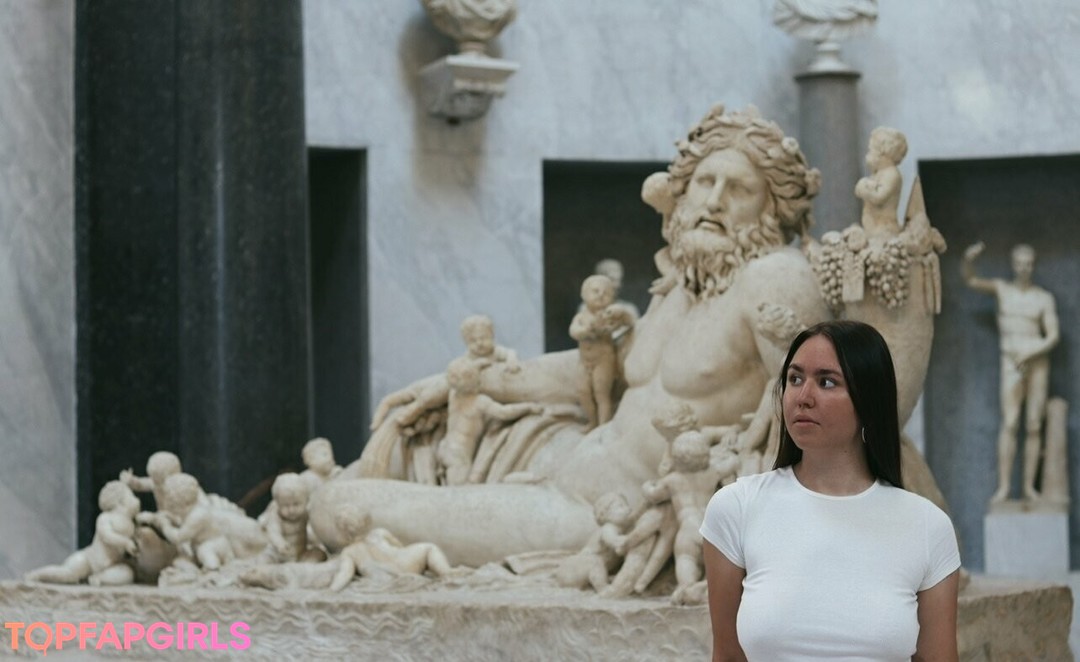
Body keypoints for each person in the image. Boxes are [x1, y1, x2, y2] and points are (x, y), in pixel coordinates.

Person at [700, 320, 960, 661]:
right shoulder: (736, 508)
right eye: (795, 379)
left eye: (826, 382)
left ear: (868, 400)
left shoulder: (926, 526)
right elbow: (728, 656)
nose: (803, 397)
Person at [962, 241, 1060, 503]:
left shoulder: (1043, 298)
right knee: (1010, 422)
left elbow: (1053, 336)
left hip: (1036, 360)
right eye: (1020, 263)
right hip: (1011, 361)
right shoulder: (1002, 289)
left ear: (1033, 266)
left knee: (1034, 424)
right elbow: (971, 280)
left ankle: (1029, 488)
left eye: (1029, 264)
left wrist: (1030, 352)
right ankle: (1004, 487)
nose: (1024, 268)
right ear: (1013, 265)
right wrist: (968, 260)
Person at [27, 481, 140, 586]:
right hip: (89, 560)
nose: (137, 500)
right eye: (132, 496)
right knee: (68, 574)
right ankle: (38, 575)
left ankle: (98, 578)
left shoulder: (132, 524)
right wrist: (125, 542)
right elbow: (107, 536)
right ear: (121, 502)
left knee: (128, 573)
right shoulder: (105, 518)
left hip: (110, 566)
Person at [569, 274, 636, 429]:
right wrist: (585, 331)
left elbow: (631, 323)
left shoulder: (611, 315)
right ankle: (592, 421)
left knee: (601, 394)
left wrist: (622, 313)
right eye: (595, 291)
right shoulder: (581, 316)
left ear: (612, 297)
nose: (601, 295)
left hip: (603, 360)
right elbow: (574, 331)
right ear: (584, 295)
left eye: (606, 293)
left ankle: (602, 427)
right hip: (584, 361)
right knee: (582, 392)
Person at [854, 126, 906, 238]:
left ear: (883, 154)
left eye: (870, 151)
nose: (867, 155)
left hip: (884, 229)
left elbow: (879, 197)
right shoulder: (876, 173)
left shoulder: (892, 174)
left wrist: (863, 187)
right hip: (872, 228)